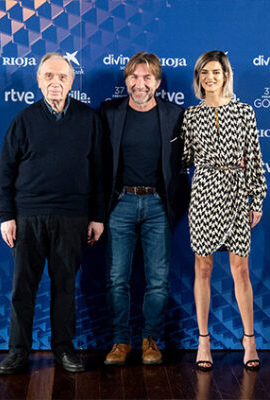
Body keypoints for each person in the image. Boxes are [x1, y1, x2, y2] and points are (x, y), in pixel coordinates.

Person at [0, 52, 104, 374]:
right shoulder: (24, 120)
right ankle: (17, 351)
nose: (55, 82)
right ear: (39, 80)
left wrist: (97, 216)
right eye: (49, 76)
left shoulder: (89, 119)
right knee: (23, 289)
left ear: (72, 81)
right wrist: (6, 216)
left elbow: (99, 172)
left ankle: (64, 349)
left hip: (72, 217)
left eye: (62, 77)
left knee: (65, 287)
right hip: (28, 217)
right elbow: (4, 173)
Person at [181, 50, 267, 371]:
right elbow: (186, 157)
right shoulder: (191, 115)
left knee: (240, 269)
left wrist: (255, 199)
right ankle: (203, 340)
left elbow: (255, 158)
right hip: (203, 193)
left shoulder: (245, 112)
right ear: (199, 78)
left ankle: (249, 340)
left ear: (226, 75)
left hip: (235, 192)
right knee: (203, 268)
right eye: (204, 73)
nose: (210, 78)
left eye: (216, 72)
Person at [100, 52, 188, 365]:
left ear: (158, 82)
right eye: (134, 77)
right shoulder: (109, 112)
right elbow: (97, 164)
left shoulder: (175, 114)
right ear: (125, 81)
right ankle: (121, 341)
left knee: (158, 280)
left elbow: (190, 161)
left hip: (157, 206)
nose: (140, 84)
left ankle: (151, 339)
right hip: (120, 204)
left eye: (147, 78)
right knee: (116, 279)